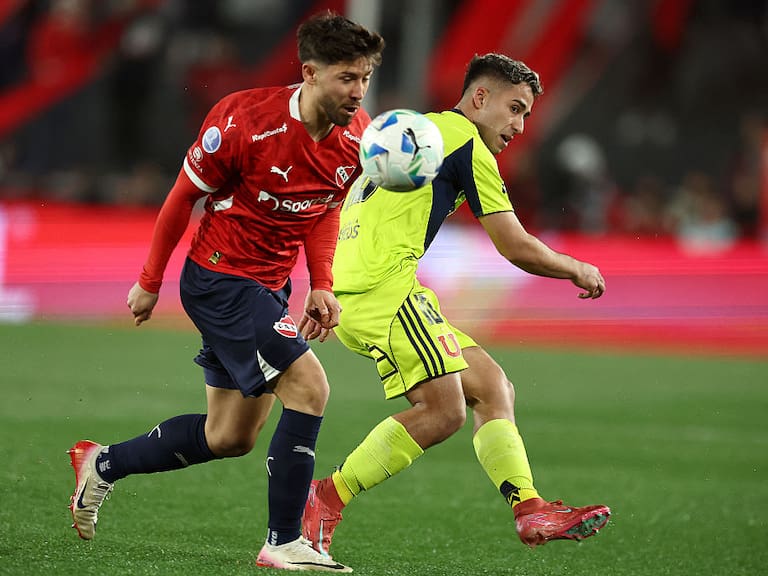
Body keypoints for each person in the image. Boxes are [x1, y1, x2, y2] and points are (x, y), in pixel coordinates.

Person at [67, 11, 384, 572]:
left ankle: (103, 463)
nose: (358, 92)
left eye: (364, 77)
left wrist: (323, 284)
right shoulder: (243, 120)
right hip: (220, 279)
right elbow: (179, 199)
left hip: (271, 287)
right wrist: (148, 282)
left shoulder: (357, 138)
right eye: (346, 78)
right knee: (310, 387)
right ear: (310, 73)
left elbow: (322, 211)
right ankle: (284, 540)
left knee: (229, 436)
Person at [299, 54, 611, 558]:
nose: (518, 125)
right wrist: (576, 267)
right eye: (514, 108)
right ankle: (324, 498)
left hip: (354, 290)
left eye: (526, 115)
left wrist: (323, 288)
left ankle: (530, 508)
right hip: (386, 292)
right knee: (444, 413)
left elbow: (348, 208)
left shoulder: (412, 132)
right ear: (480, 98)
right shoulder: (466, 142)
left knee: (491, 386)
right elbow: (514, 244)